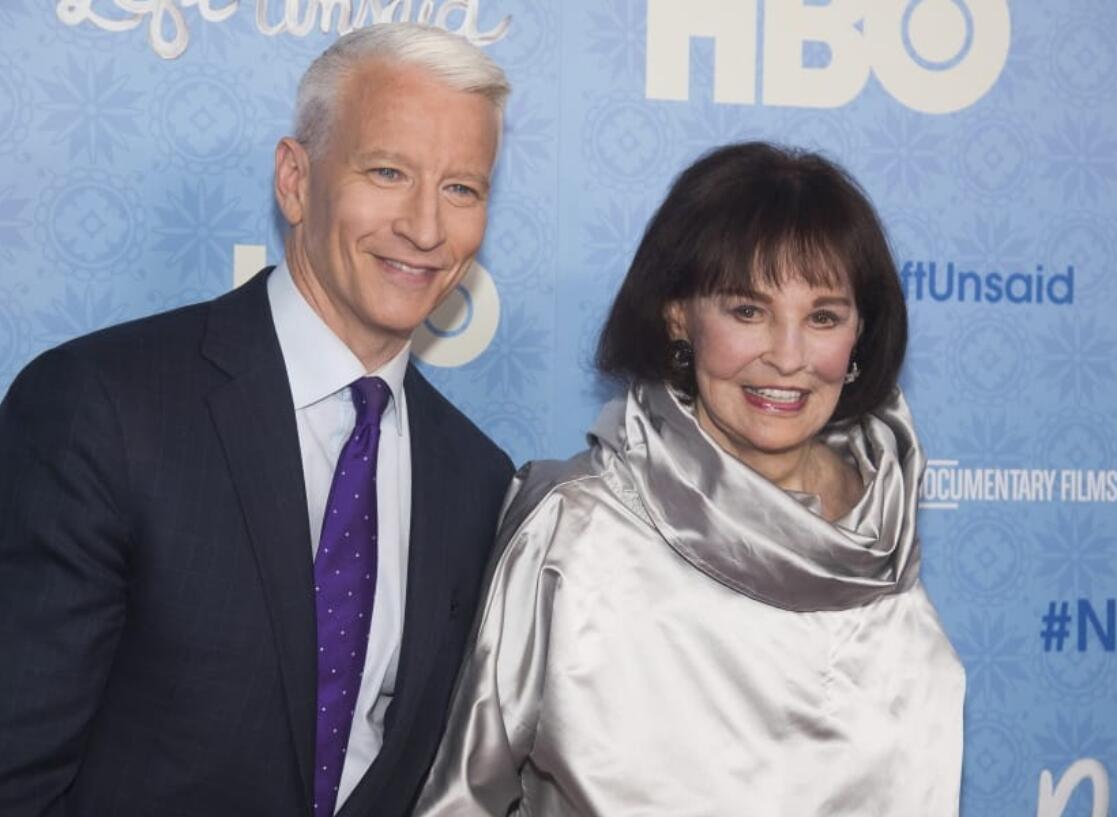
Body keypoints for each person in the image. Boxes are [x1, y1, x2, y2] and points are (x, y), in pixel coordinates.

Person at [0, 23, 514, 817]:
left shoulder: (479, 479)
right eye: (387, 171)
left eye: (462, 188)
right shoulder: (99, 408)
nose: (424, 226)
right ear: (295, 179)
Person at [414, 142, 966, 817]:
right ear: (679, 315)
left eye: (823, 316)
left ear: (859, 334)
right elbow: (462, 799)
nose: (787, 357)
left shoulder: (879, 540)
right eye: (747, 310)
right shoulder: (574, 530)